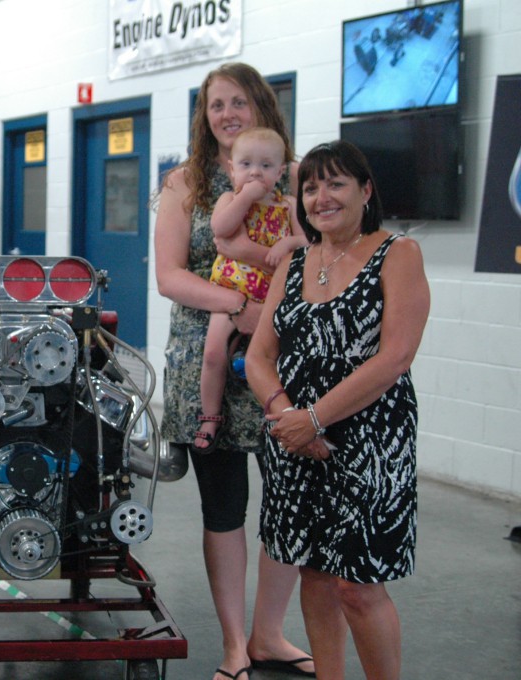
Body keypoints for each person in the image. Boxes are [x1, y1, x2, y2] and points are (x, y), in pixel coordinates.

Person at [154, 62, 316, 680]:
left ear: (262, 110)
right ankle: (232, 644)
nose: (227, 113)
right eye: (216, 104)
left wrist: (270, 314)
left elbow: (317, 253)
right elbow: (170, 275)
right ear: (204, 116)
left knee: (288, 502)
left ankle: (269, 634)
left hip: (283, 362)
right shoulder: (185, 183)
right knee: (224, 506)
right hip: (209, 360)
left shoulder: (295, 177)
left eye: (239, 102)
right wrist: (240, 307)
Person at [246, 140, 429, 679]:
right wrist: (285, 414)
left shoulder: (397, 254)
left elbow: (396, 356)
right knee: (316, 574)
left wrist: (315, 418)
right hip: (293, 439)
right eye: (310, 187)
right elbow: (259, 355)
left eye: (335, 184)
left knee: (359, 586)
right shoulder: (295, 262)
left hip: (370, 441)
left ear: (365, 190)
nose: (320, 197)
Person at [196, 127, 307, 455]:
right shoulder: (230, 200)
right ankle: (210, 416)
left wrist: (288, 241)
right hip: (231, 292)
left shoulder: (289, 205)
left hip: (273, 298)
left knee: (271, 361)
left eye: (265, 166)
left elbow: (309, 243)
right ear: (232, 169)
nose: (255, 172)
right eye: (246, 165)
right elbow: (221, 228)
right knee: (214, 354)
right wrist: (245, 196)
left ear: (280, 172)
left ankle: (277, 412)